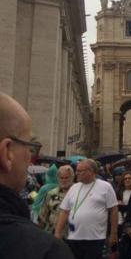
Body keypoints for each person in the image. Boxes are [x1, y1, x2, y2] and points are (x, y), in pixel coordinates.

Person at [0, 92, 74, 258]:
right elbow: (38, 206)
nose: (30, 157)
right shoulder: (45, 251)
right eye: (30, 146)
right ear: (7, 153)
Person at [55, 159, 119, 259]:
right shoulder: (74, 187)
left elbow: (114, 211)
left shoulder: (105, 187)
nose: (76, 173)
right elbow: (64, 211)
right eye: (77, 170)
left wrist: (113, 234)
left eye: (80, 171)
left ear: (91, 171)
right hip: (73, 238)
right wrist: (57, 233)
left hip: (95, 238)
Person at [39, 165, 75, 236]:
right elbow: (43, 216)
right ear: (58, 178)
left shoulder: (78, 192)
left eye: (66, 178)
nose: (64, 180)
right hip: (53, 235)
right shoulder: (51, 194)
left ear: (72, 177)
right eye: (61, 178)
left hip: (72, 236)